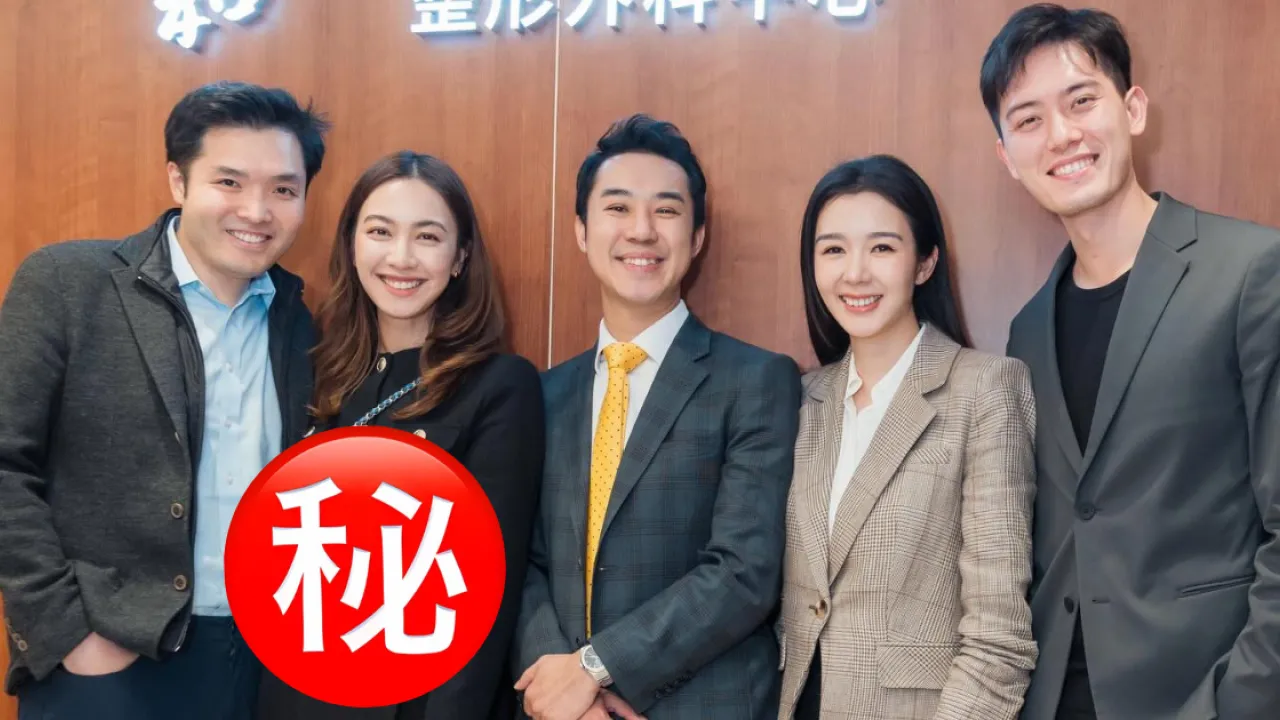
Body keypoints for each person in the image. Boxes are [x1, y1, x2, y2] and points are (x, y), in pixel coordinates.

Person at [981, 4, 1280, 718]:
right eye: (1028, 119)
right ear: (1007, 158)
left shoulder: (1250, 272)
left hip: (1201, 694)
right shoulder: (1027, 330)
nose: (1061, 135)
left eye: (1081, 101)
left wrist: (1237, 702)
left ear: (1133, 108)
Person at [0, 81, 329, 719]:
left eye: (283, 190)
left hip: (262, 658)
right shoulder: (71, 283)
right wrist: (65, 631)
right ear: (178, 180)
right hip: (112, 657)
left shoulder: (301, 320)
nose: (257, 211)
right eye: (229, 182)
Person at [512, 114, 802, 720]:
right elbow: (525, 562)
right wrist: (562, 688)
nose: (641, 231)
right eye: (617, 208)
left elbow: (744, 572)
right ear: (582, 231)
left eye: (666, 210)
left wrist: (594, 668)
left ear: (697, 237)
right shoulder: (544, 393)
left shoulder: (755, 380)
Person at [254, 150, 544, 719]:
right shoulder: (315, 372)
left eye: (428, 237)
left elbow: (486, 597)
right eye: (380, 232)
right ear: (351, 244)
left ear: (460, 257)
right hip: (293, 694)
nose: (401, 257)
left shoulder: (498, 385)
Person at [776, 155, 1037, 720]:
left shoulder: (984, 389)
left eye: (882, 248)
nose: (855, 274)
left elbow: (998, 638)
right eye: (833, 250)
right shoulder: (798, 398)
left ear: (924, 263)